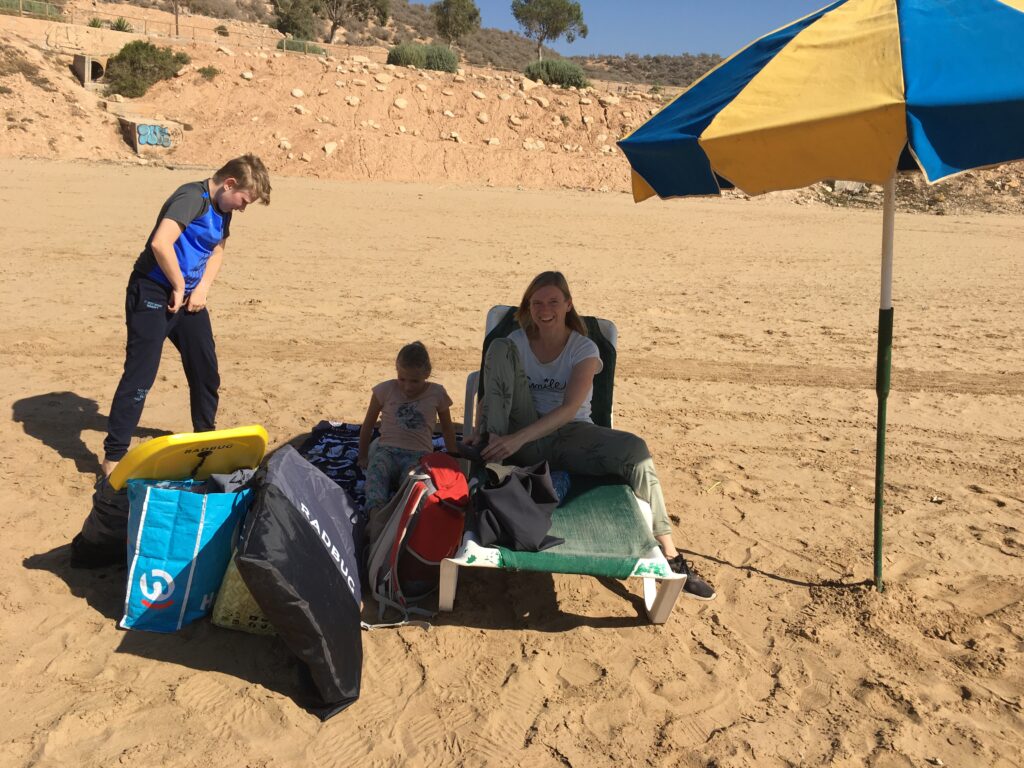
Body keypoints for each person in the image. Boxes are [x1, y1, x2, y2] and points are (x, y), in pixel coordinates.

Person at [463, 271, 717, 600]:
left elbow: (570, 408)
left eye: (553, 301)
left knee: (636, 450)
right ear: (528, 306)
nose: (545, 309)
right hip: (518, 434)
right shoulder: (515, 343)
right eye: (537, 303)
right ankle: (492, 457)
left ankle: (670, 554)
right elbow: (492, 390)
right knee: (499, 348)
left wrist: (517, 439)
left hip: (569, 435)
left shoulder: (583, 348)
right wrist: (483, 431)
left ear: (568, 304)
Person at [100, 155, 271, 477]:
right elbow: (160, 243)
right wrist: (179, 285)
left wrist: (201, 288)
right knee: (140, 377)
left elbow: (217, 249)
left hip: (189, 297)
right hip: (152, 291)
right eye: (244, 201)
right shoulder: (192, 197)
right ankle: (114, 456)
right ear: (229, 184)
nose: (243, 209)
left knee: (206, 370)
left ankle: (205, 440)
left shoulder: (222, 208)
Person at [358, 341, 458, 536]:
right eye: (402, 379)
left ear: (427, 374)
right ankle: (376, 518)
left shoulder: (437, 393)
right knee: (376, 476)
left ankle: (398, 521)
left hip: (418, 456)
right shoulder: (384, 390)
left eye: (414, 381)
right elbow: (368, 425)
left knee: (414, 487)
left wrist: (453, 457)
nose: (407, 386)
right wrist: (363, 456)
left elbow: (448, 428)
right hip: (386, 450)